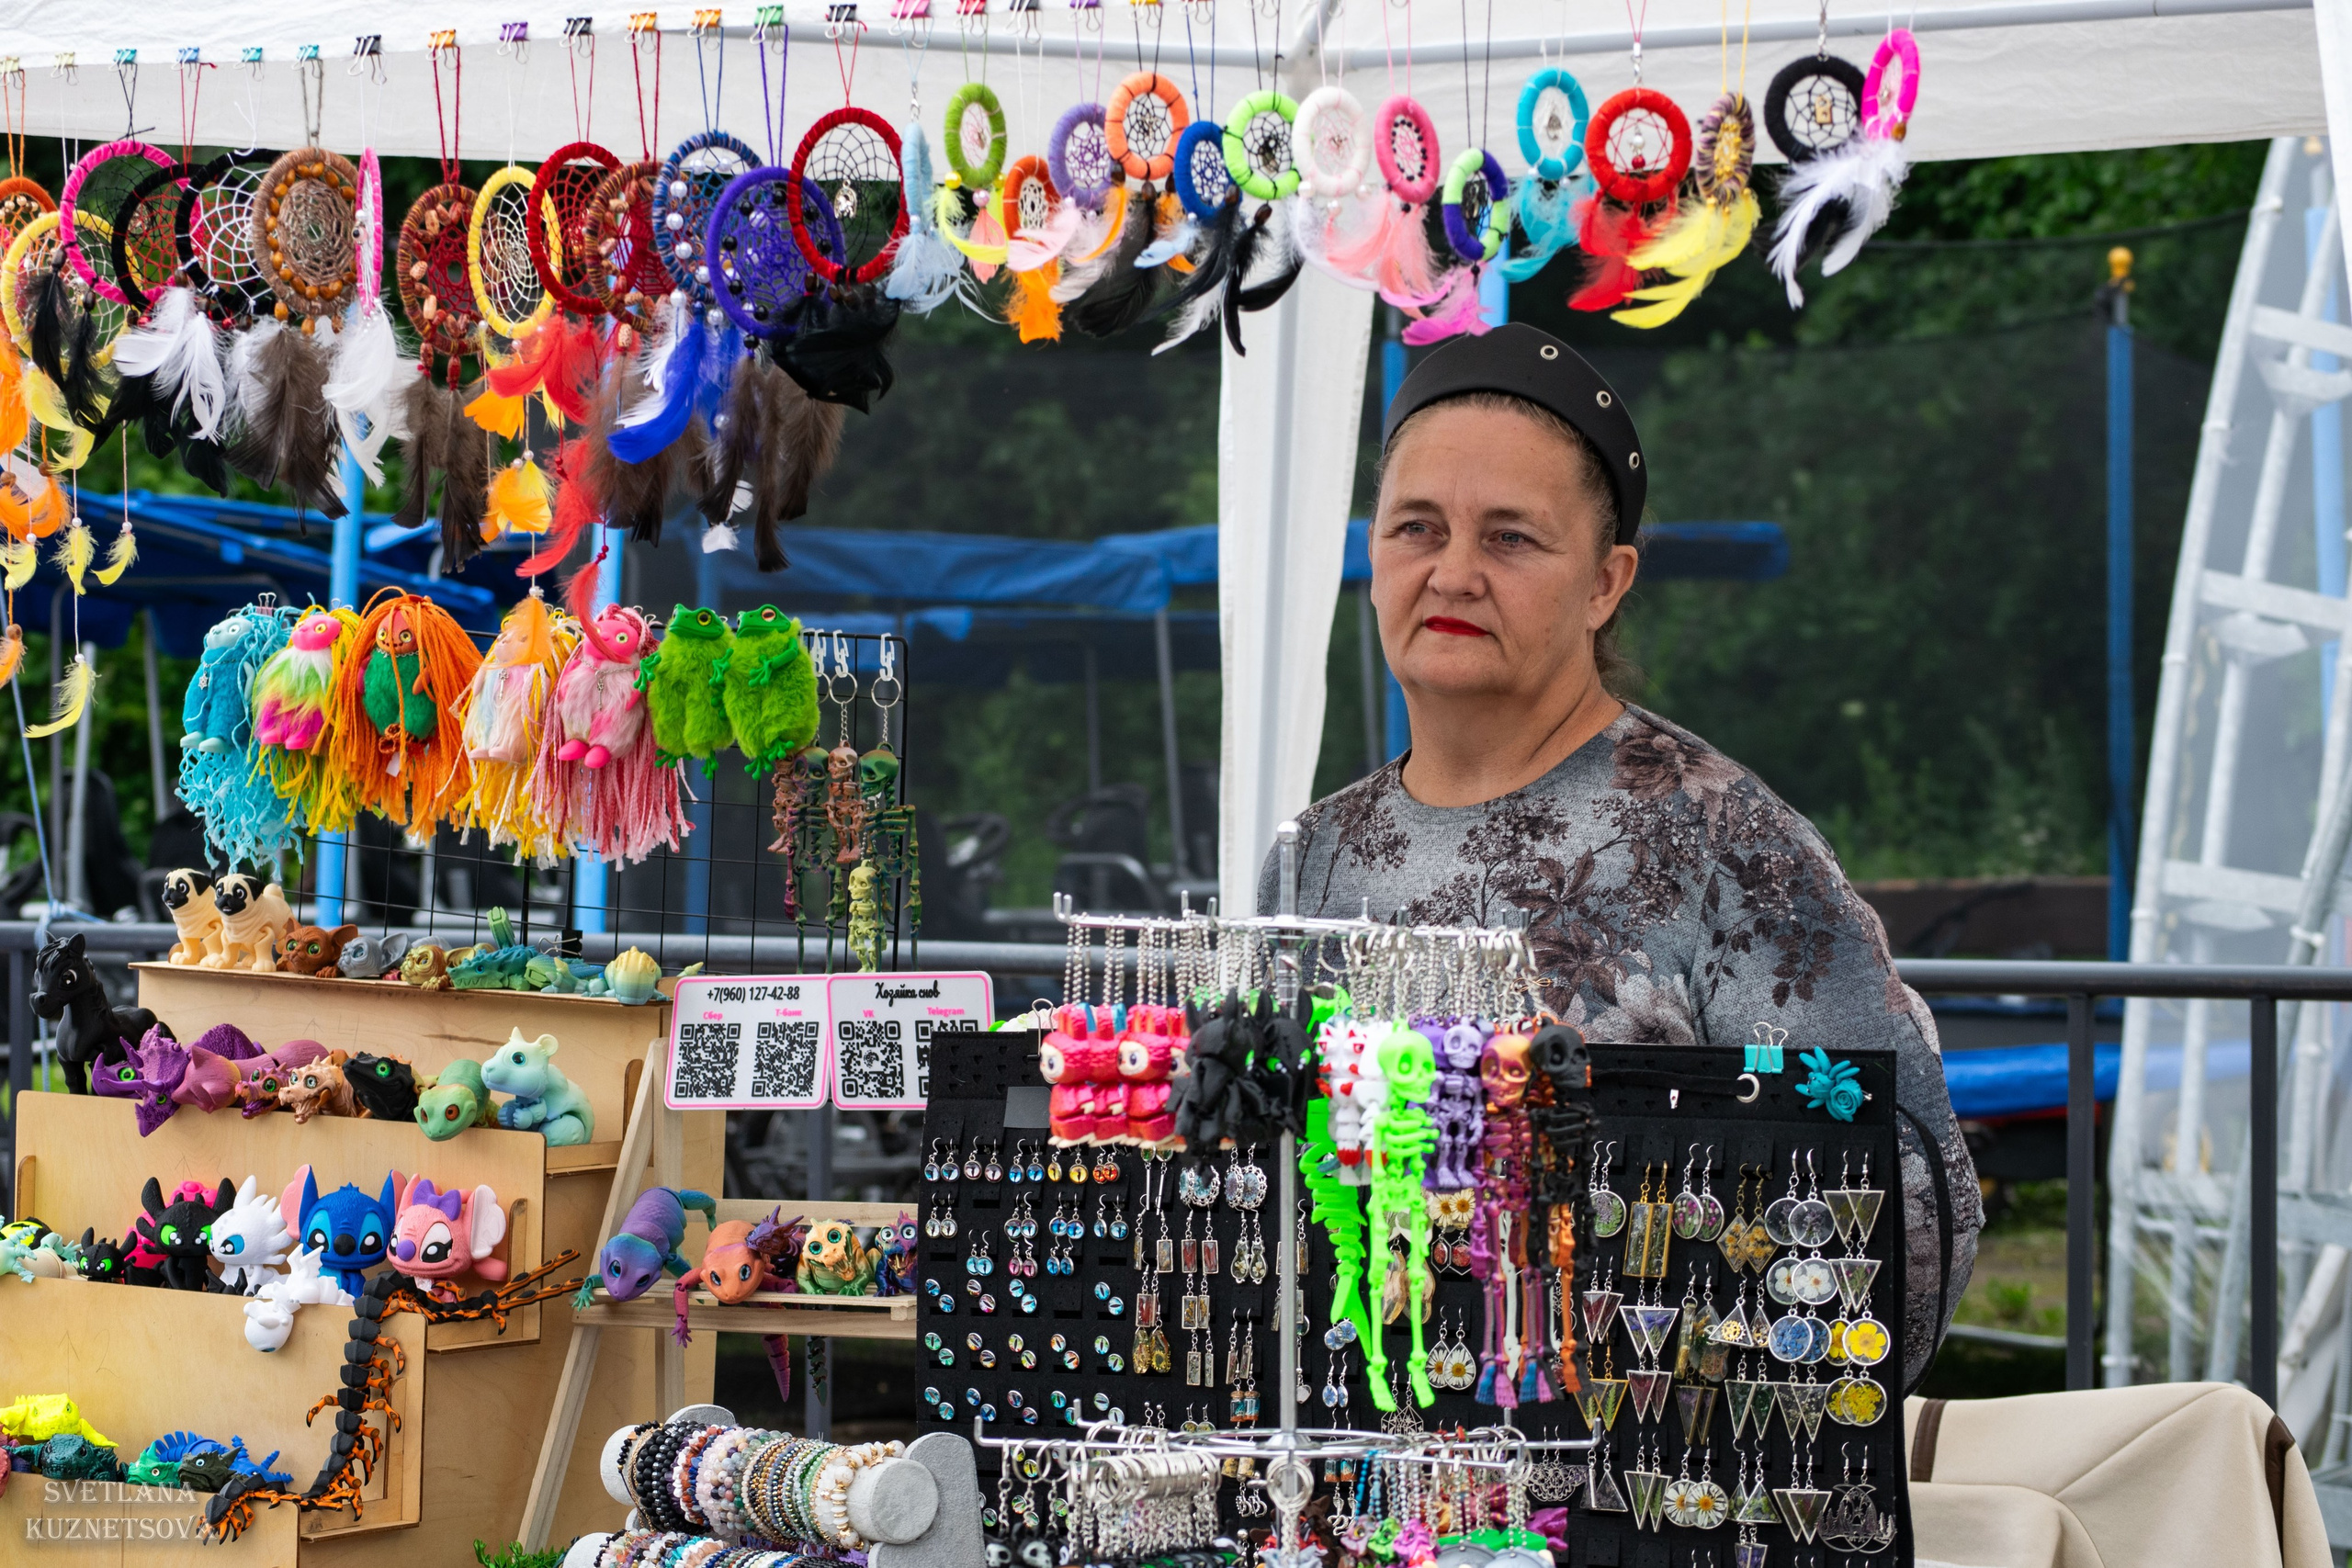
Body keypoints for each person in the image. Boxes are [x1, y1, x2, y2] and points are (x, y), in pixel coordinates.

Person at [1261, 321, 1980, 1391]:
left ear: (1604, 583)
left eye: (1510, 538)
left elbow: (1918, 1209)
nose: (1452, 572)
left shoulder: (1725, 841)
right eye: (1417, 527)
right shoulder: (1313, 856)